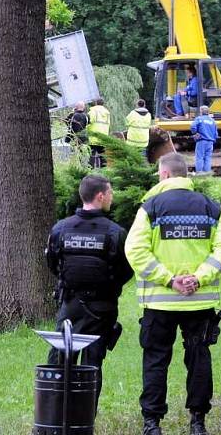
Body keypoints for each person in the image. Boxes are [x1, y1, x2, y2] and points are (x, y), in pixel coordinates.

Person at [125, 153, 221, 435]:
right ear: (185, 175)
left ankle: (152, 423)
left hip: (159, 303)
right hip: (199, 303)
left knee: (156, 360)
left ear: (163, 175)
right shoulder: (212, 208)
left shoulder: (150, 207)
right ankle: (197, 421)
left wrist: (169, 280)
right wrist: (198, 279)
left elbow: (135, 250)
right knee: (199, 358)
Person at [45, 174, 134, 416]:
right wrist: (107, 287)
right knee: (92, 364)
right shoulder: (115, 232)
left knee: (61, 359)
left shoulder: (60, 228)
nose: (112, 197)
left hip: (69, 305)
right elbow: (126, 270)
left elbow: (53, 264)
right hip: (102, 307)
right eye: (111, 193)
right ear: (100, 195)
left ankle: (55, 417)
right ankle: (84, 420)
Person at [190, 106, 218, 174]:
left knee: (199, 157)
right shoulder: (212, 121)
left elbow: (193, 126)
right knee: (208, 158)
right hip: (210, 142)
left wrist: (195, 133)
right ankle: (207, 173)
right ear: (208, 112)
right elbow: (216, 134)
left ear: (201, 112)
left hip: (202, 141)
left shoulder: (199, 119)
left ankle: (199, 173)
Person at [87, 98, 111, 167]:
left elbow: (88, 122)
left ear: (96, 103)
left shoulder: (93, 111)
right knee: (103, 156)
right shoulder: (107, 113)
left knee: (91, 156)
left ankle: (90, 170)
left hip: (93, 137)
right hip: (103, 138)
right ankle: (104, 171)